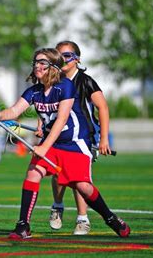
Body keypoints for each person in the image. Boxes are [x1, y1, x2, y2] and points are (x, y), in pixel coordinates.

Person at [0, 47, 130, 239]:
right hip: (52, 144)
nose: (37, 65)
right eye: (35, 62)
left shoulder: (66, 87)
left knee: (83, 186)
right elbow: (14, 111)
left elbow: (61, 120)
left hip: (74, 144)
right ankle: (23, 226)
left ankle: (110, 218)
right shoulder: (34, 91)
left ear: (53, 67)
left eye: (42, 62)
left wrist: (43, 147)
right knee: (33, 173)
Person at [45, 40, 112, 235]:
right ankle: (57, 206)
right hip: (58, 135)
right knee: (57, 173)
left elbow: (103, 107)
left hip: (83, 138)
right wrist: (42, 125)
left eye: (66, 55)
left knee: (78, 179)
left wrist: (104, 139)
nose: (62, 59)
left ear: (77, 59)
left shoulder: (85, 81)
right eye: (58, 55)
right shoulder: (53, 81)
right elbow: (46, 106)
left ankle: (82, 219)